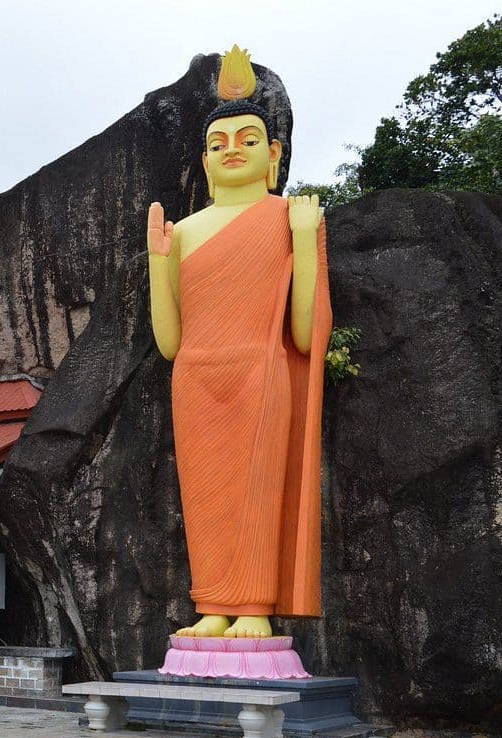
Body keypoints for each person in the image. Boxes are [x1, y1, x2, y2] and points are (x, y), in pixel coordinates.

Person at [146, 46, 332, 639]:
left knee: (255, 489)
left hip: (260, 371)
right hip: (196, 379)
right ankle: (215, 606)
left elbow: (305, 334)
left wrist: (304, 239)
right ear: (204, 160)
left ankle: (253, 605)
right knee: (205, 500)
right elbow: (170, 343)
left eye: (248, 139)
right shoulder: (186, 231)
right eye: (220, 143)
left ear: (273, 154)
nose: (233, 150)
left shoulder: (287, 218)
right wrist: (157, 263)